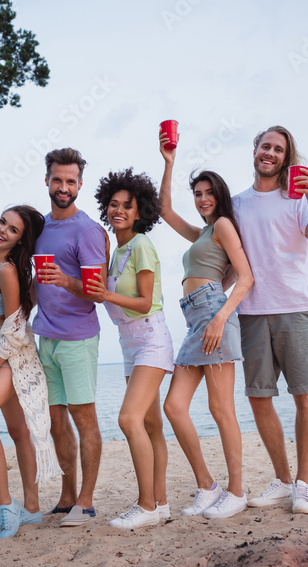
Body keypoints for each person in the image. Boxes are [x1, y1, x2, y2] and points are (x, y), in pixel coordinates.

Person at [0, 122, 61, 538]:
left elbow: (12, 332)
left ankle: (6, 506)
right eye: (2, 222)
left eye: (11, 229)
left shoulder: (7, 272)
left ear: (21, 241)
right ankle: (34, 508)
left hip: (13, 356)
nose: (1, 228)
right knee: (17, 429)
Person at [233, 125, 308, 515]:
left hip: (295, 307)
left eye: (278, 149)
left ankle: (304, 485)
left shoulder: (298, 200)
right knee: (259, 399)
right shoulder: (237, 204)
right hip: (252, 311)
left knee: (303, 395)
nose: (270, 153)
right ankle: (283, 480)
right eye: (265, 146)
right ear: (255, 150)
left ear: (286, 158)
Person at [158, 131, 255, 519]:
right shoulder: (201, 232)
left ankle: (236, 491)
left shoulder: (223, 227)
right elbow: (164, 210)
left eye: (207, 192)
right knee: (174, 406)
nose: (202, 199)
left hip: (214, 315)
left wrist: (219, 317)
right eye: (197, 194)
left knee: (221, 409)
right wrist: (168, 161)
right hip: (193, 319)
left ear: (219, 195)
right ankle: (207, 485)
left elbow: (245, 277)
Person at [84, 168, 174, 529]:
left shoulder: (141, 245)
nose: (118, 210)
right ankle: (162, 503)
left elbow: (145, 301)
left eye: (127, 206)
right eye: (113, 204)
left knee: (128, 419)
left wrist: (106, 294)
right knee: (151, 424)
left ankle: (146, 504)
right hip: (129, 342)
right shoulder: (117, 249)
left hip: (151, 337)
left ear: (140, 212)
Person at [33, 147, 108, 527]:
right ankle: (66, 495)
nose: (64, 187)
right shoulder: (40, 226)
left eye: (71, 181)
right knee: (55, 421)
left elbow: (96, 291)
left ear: (80, 185)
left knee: (84, 418)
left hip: (78, 338)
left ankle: (87, 500)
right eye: (57, 179)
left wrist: (63, 279)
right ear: (47, 180)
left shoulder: (88, 230)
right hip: (45, 337)